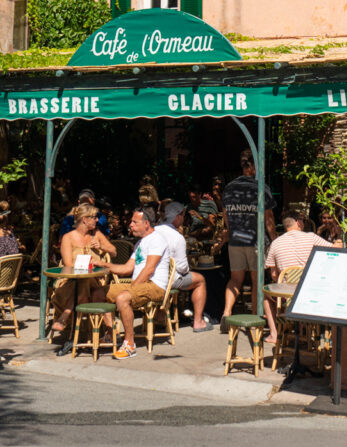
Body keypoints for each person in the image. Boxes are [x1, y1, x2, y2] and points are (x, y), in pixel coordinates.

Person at [219, 148, 277, 333]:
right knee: (256, 280)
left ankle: (227, 312)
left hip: (235, 240)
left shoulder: (229, 188)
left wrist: (231, 230)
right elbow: (269, 220)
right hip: (255, 241)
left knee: (235, 279)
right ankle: (255, 317)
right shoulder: (260, 188)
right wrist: (274, 240)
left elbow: (226, 216)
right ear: (254, 167)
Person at [102, 206, 171, 359]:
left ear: (146, 223)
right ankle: (111, 332)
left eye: (134, 222)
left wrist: (130, 289)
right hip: (140, 283)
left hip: (155, 286)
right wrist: (104, 265)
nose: (130, 224)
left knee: (122, 298)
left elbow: (148, 270)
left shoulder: (157, 240)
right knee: (99, 292)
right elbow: (127, 268)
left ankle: (130, 344)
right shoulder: (141, 243)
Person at [52, 204, 117, 340]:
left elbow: (114, 252)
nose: (97, 220)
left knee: (88, 282)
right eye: (94, 217)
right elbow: (69, 266)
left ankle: (65, 315)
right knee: (86, 282)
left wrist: (102, 246)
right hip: (70, 283)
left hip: (97, 281)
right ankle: (111, 332)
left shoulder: (97, 234)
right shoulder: (68, 238)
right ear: (84, 219)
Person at [262, 210, 329, 343]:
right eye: (303, 220)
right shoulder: (311, 237)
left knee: (266, 295)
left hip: (288, 299)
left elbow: (275, 276)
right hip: (311, 295)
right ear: (298, 222)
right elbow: (334, 250)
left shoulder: (275, 243)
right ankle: (308, 329)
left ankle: (275, 334)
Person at [155, 202, 212, 332]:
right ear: (178, 216)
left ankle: (160, 315)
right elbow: (182, 268)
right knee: (200, 280)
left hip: (152, 277)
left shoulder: (153, 231)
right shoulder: (177, 237)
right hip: (169, 280)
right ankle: (198, 321)